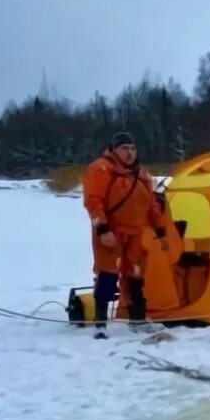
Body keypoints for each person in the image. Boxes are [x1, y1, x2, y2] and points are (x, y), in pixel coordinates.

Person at [82, 132, 168, 337]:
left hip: (135, 234)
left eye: (132, 149)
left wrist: (161, 230)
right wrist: (102, 229)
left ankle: (137, 319)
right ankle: (100, 324)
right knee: (107, 275)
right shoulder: (100, 170)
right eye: (124, 149)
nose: (129, 153)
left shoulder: (142, 176)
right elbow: (93, 202)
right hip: (111, 232)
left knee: (135, 276)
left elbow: (151, 206)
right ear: (114, 150)